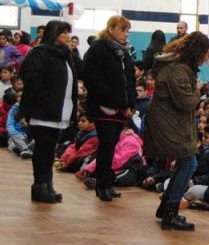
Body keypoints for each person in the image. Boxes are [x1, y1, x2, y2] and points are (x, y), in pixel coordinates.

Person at [144, 31, 209, 230]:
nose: (208, 57)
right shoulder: (178, 70)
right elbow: (186, 102)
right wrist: (198, 90)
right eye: (207, 53)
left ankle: (167, 207)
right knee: (189, 164)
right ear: (198, 51)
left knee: (186, 163)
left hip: (172, 122)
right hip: (170, 123)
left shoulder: (179, 66)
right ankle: (170, 212)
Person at [18, 20, 77, 203]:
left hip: (58, 113)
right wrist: (47, 101)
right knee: (43, 150)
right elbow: (34, 81)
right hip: (43, 112)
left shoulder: (64, 55)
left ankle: (47, 183)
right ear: (53, 34)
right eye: (63, 33)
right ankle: (39, 186)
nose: (67, 36)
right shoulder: (40, 53)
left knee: (49, 150)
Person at [83, 15, 136, 202]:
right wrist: (109, 97)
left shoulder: (125, 53)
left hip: (120, 108)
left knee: (112, 145)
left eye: (127, 30)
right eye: (122, 30)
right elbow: (91, 77)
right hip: (103, 107)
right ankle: (101, 184)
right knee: (106, 145)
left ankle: (108, 182)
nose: (125, 34)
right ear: (112, 29)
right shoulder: (99, 49)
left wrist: (131, 103)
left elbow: (130, 79)